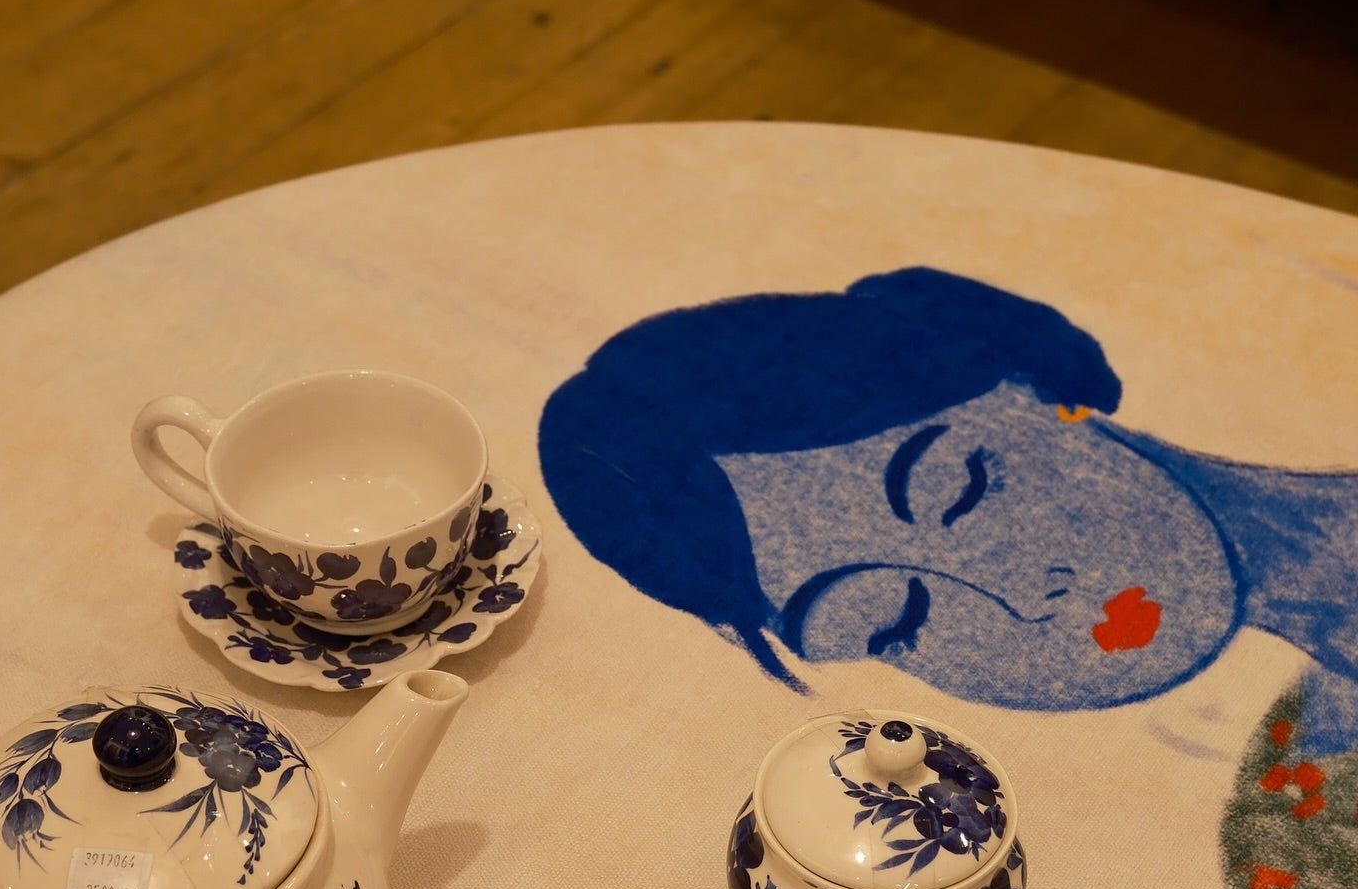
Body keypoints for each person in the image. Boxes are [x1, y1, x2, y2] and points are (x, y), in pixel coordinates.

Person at [539, 267, 1358, 752]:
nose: (1018, 600)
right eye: (889, 625)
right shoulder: (1296, 799)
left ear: (1037, 388)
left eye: (966, 488)